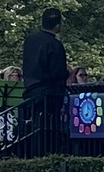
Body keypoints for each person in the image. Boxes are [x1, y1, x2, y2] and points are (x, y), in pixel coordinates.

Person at [22, 8, 69, 149]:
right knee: (49, 132)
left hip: (30, 92)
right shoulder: (55, 45)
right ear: (57, 25)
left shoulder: (30, 41)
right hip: (49, 94)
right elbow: (58, 72)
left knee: (35, 129)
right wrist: (66, 73)